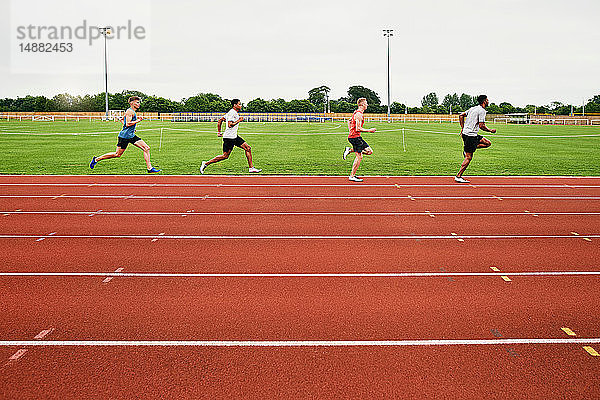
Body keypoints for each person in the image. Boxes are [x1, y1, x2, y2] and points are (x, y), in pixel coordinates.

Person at [89, 96, 161, 173]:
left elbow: (122, 120)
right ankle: (96, 159)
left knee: (146, 148)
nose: (139, 104)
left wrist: (132, 129)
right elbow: (128, 124)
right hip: (124, 137)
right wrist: (137, 121)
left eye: (139, 102)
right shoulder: (129, 111)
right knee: (117, 154)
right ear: (131, 103)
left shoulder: (131, 112)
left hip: (131, 135)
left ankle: (149, 168)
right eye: (137, 102)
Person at [200, 99, 261, 174]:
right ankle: (206, 163)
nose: (241, 105)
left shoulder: (231, 112)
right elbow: (230, 125)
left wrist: (219, 132)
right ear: (235, 105)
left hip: (234, 136)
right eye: (239, 104)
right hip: (229, 138)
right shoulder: (232, 113)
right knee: (225, 156)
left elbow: (220, 120)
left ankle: (251, 168)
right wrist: (239, 120)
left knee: (248, 148)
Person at [455, 94, 496, 183]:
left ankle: (468, 149)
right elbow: (481, 126)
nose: (488, 101)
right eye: (487, 100)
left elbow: (461, 115)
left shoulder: (473, 108)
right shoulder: (482, 111)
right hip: (470, 135)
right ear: (484, 101)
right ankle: (458, 176)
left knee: (487, 143)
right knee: (469, 157)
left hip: (469, 134)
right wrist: (490, 130)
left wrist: (462, 128)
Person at [342, 97, 376, 182]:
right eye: (366, 103)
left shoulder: (356, 113)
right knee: (359, 156)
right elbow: (358, 128)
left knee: (369, 151)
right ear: (362, 104)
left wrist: (350, 130)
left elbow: (349, 121)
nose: (367, 105)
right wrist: (369, 130)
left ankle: (350, 150)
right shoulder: (358, 114)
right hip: (355, 138)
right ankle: (352, 176)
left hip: (356, 137)